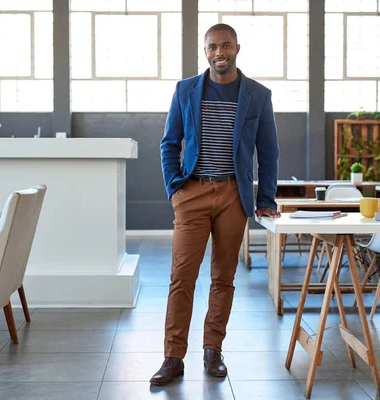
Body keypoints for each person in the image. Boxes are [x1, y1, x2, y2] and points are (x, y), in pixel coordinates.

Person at [150, 23, 281, 386]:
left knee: (223, 278)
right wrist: (175, 189)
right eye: (212, 47)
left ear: (237, 47)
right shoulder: (185, 90)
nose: (219, 53)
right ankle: (173, 357)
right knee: (182, 278)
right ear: (204, 50)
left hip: (232, 198)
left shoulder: (257, 94)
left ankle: (213, 351)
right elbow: (169, 143)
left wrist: (265, 198)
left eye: (225, 46)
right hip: (192, 193)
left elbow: (268, 152)